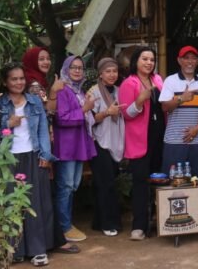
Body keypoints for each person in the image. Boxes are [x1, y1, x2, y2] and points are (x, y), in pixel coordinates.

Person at [21, 47, 80, 256]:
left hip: (43, 141)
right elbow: (44, 113)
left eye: (47, 58)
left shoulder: (39, 81)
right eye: (41, 58)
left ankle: (51, 238)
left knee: (48, 190)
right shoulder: (34, 84)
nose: (45, 62)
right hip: (37, 144)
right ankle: (48, 240)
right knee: (44, 192)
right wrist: (54, 93)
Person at [0, 63, 55, 267]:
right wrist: (7, 124)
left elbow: (43, 130)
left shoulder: (34, 101)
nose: (19, 82)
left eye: (22, 78)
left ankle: (38, 250)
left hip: (33, 154)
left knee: (35, 203)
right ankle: (17, 249)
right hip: (9, 158)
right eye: (14, 79)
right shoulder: (0, 103)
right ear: (5, 82)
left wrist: (46, 155)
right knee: (12, 203)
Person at [119, 46, 164, 241]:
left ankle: (158, 220)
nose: (148, 63)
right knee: (140, 183)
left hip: (160, 138)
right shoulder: (129, 83)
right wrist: (139, 101)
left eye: (151, 59)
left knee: (159, 180)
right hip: (140, 140)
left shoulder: (158, 80)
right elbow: (126, 114)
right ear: (136, 61)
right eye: (144, 59)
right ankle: (139, 226)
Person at [52, 55, 96, 243]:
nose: (77, 71)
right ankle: (64, 227)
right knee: (66, 186)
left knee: (72, 185)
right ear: (65, 69)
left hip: (77, 144)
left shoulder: (78, 91)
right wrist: (85, 109)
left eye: (80, 67)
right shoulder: (62, 90)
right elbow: (61, 118)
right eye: (73, 67)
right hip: (66, 146)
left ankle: (66, 223)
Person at [159, 46, 198, 178]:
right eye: (186, 58)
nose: (190, 61)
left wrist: (196, 129)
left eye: (193, 58)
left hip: (197, 140)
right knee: (172, 182)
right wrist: (182, 98)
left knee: (197, 181)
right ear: (179, 60)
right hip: (174, 141)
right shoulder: (170, 80)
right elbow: (164, 107)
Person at [88, 57, 125, 237]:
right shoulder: (93, 92)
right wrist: (106, 112)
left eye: (115, 71)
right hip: (99, 142)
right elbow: (89, 119)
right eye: (108, 71)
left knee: (109, 183)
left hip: (115, 141)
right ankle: (108, 223)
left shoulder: (120, 91)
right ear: (100, 74)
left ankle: (99, 221)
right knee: (105, 184)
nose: (112, 75)